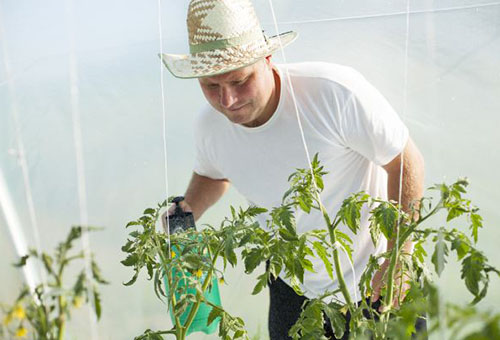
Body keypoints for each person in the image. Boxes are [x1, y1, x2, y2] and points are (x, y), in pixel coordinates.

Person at [160, 0, 426, 339]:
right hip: (292, 288)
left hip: (376, 279)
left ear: (267, 60)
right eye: (212, 86)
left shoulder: (334, 93)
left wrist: (399, 256)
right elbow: (214, 173)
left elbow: (405, 161)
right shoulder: (210, 126)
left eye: (240, 81)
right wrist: (184, 215)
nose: (228, 101)